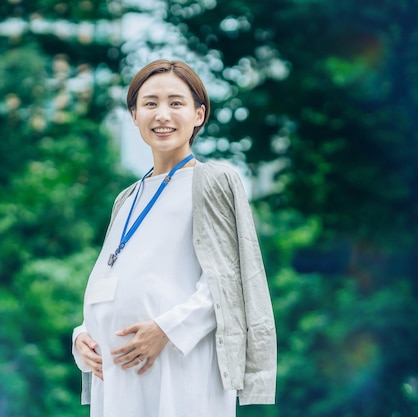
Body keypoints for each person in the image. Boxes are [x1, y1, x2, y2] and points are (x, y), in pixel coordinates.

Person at [72, 59, 276, 417]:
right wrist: (83, 337)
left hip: (181, 364)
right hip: (118, 373)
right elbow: (110, 281)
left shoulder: (211, 181)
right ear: (134, 115)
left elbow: (227, 283)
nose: (162, 114)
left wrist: (165, 330)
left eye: (175, 103)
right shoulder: (126, 198)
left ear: (198, 114)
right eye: (150, 103)